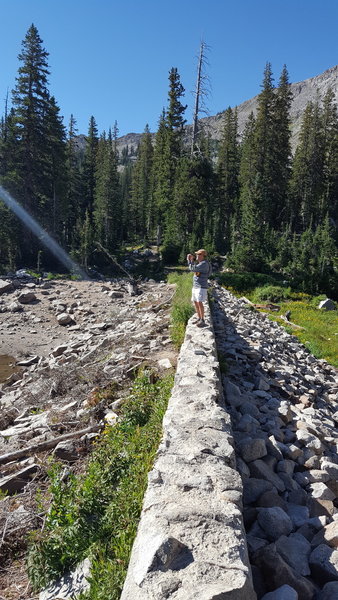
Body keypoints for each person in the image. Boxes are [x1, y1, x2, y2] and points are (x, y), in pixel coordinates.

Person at [186, 249, 212, 327]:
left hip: (201, 286)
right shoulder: (201, 263)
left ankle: (202, 320)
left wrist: (189, 261)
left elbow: (193, 269)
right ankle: (199, 317)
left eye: (198, 254)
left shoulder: (204, 264)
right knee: (195, 302)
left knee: (199, 302)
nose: (197, 256)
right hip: (196, 286)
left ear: (202, 256)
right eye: (197, 254)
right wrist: (192, 261)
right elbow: (195, 268)